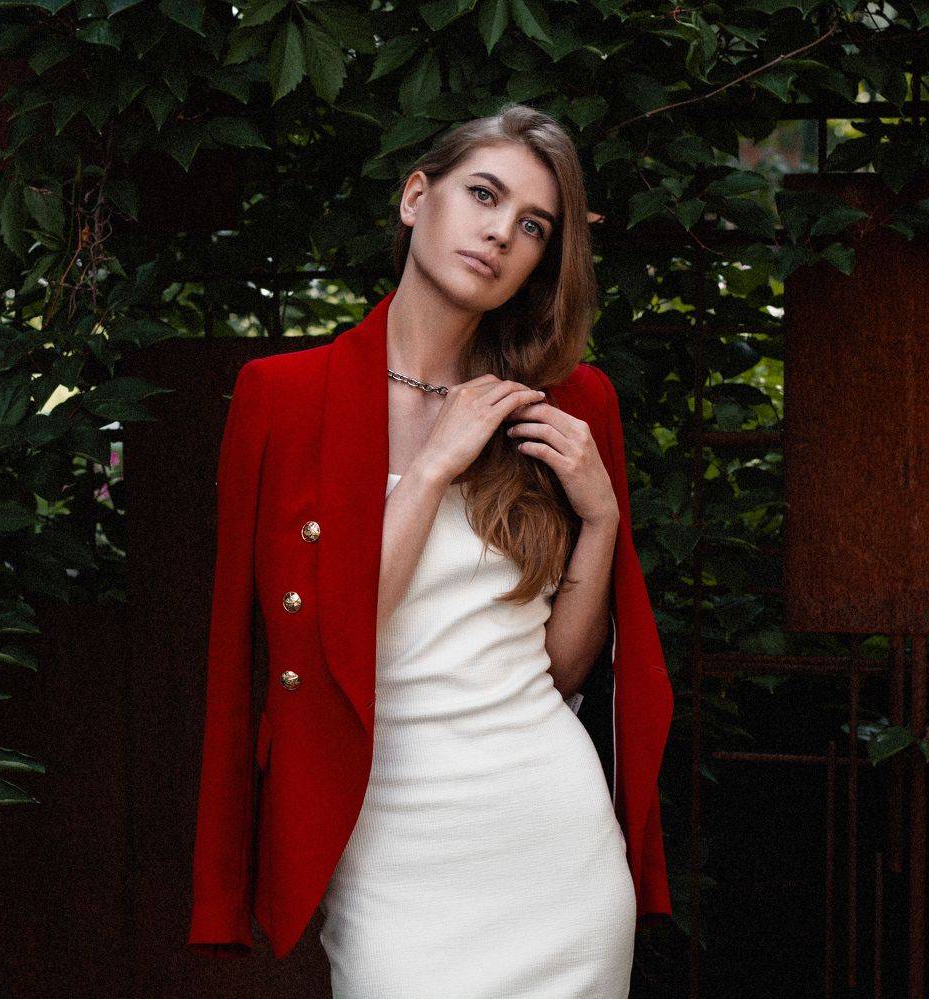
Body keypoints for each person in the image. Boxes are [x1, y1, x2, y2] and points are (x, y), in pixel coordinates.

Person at [186, 103, 674, 997]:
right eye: (483, 194)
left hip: (554, 847)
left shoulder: (570, 404)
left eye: (534, 225)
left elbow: (562, 669)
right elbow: (318, 640)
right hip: (389, 845)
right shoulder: (282, 398)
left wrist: (602, 521)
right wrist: (437, 462)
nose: (501, 233)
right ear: (416, 197)